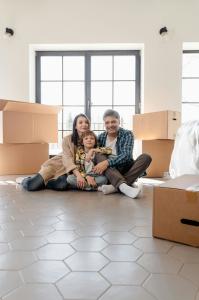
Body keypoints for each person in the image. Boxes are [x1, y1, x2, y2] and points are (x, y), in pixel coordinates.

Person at [17, 114, 90, 191]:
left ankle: (46, 182)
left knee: (62, 186)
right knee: (31, 186)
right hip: (56, 165)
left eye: (86, 122)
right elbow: (67, 159)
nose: (84, 124)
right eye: (80, 122)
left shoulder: (90, 139)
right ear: (75, 126)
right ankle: (26, 180)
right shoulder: (67, 139)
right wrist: (79, 175)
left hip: (67, 171)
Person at [93, 109, 152, 198]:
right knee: (98, 154)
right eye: (107, 123)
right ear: (104, 124)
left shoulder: (127, 134)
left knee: (146, 157)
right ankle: (124, 187)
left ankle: (115, 187)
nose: (110, 125)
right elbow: (95, 157)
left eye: (113, 122)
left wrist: (107, 162)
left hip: (125, 167)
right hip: (110, 171)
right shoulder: (100, 137)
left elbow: (126, 156)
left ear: (119, 121)